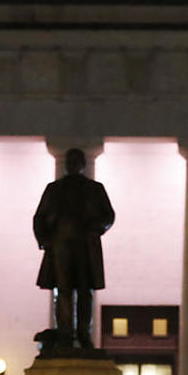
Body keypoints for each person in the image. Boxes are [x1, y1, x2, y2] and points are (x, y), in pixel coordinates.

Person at [33, 147, 115, 349]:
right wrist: (45, 240)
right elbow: (40, 217)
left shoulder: (95, 189)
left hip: (85, 245)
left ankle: (84, 333)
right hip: (61, 243)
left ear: (82, 165)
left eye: (76, 162)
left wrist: (95, 229)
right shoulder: (54, 189)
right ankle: (65, 333)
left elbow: (108, 216)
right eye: (70, 161)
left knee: (85, 290)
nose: (72, 165)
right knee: (63, 289)